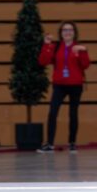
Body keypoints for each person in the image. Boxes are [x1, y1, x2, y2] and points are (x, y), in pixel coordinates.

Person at [37, 21, 90, 154]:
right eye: (65, 30)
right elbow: (43, 61)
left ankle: (72, 143)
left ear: (74, 32)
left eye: (70, 30)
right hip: (59, 85)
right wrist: (47, 45)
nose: (67, 32)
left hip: (75, 85)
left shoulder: (78, 47)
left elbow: (85, 65)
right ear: (61, 33)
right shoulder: (55, 47)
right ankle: (49, 144)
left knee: (73, 114)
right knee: (53, 113)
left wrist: (83, 51)